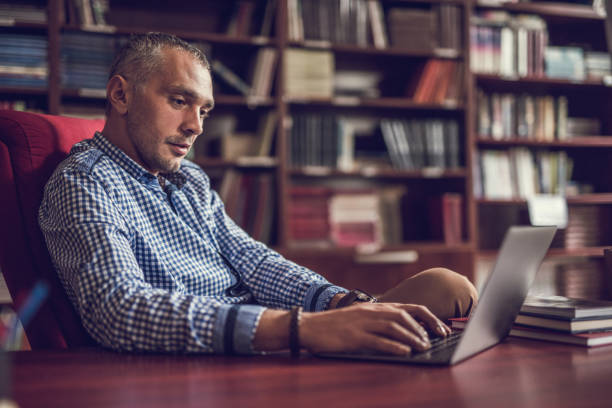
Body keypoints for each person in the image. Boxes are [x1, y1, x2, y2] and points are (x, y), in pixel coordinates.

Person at [39, 32, 477, 357]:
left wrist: (345, 304)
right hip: (223, 356)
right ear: (120, 94)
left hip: (277, 335)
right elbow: (120, 310)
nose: (197, 126)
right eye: (179, 101)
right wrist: (299, 330)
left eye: (204, 109)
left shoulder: (188, 180)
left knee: (447, 287)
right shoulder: (85, 183)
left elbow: (255, 262)